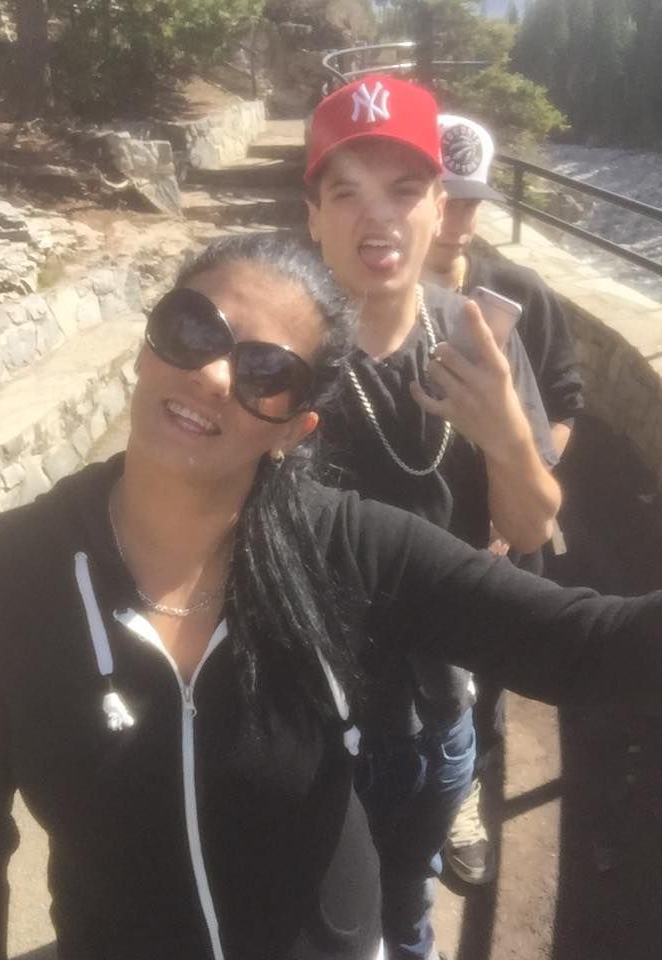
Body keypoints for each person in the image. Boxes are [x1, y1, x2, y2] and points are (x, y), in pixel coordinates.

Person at [0, 232, 659, 960]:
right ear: (146, 346)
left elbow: (586, 645)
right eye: (193, 329)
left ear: (295, 428)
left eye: (267, 372)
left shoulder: (344, 547)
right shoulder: (1, 576)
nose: (215, 376)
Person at [305, 75, 561, 957]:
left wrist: (503, 438)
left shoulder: (477, 339)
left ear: (437, 205)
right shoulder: (281, 352)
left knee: (408, 902)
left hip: (440, 710)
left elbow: (531, 528)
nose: (378, 216)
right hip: (307, 718)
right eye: (348, 191)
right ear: (314, 218)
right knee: (324, 914)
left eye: (405, 189)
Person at [423, 113, 585, 886]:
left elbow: (562, 405)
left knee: (480, 680)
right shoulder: (369, 297)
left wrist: (518, 474)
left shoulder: (520, 294)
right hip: (409, 535)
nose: (455, 220)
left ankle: (463, 802)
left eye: (470, 200)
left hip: (497, 535)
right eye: (440, 195)